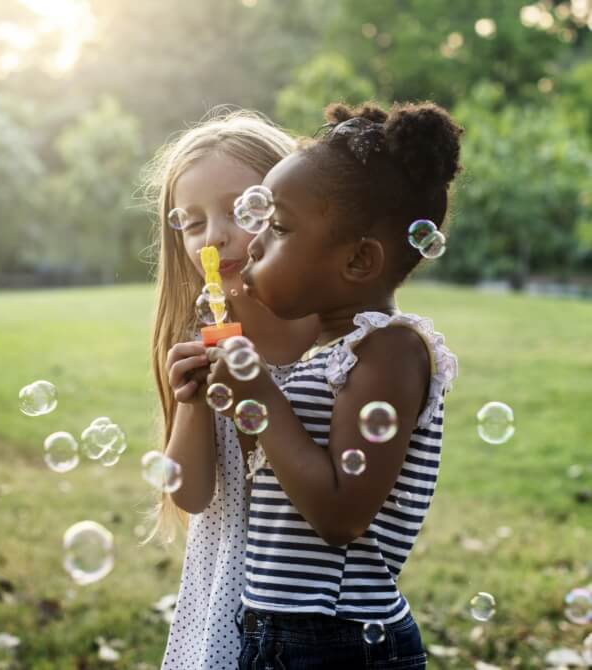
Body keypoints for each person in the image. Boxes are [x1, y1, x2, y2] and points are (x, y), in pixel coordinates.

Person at [206, 100, 463, 669]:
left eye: (278, 227)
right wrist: (233, 398)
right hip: (278, 631)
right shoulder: (328, 355)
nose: (252, 244)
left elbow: (341, 514)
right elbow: (288, 485)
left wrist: (263, 399)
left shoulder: (389, 350)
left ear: (358, 261)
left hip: (337, 640)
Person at [142, 108, 319, 670]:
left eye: (239, 209)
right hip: (220, 595)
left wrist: (258, 392)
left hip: (306, 606)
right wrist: (193, 404)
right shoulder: (202, 341)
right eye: (193, 223)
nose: (215, 235)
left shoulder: (330, 338)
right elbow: (191, 496)